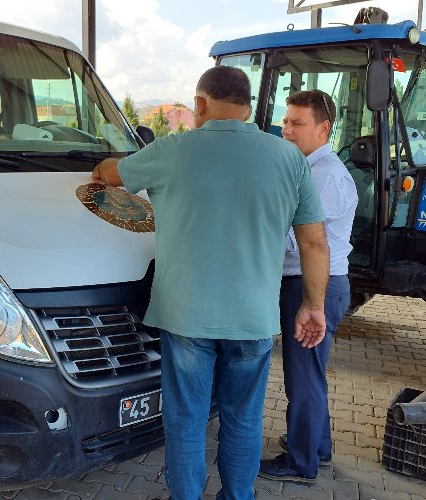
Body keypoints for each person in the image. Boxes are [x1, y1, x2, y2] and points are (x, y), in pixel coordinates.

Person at [91, 66, 330, 500]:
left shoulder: (172, 150)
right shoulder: (288, 158)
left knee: (185, 419)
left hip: (186, 316)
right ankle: (238, 496)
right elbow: (313, 243)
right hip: (253, 318)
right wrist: (312, 305)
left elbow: (112, 175)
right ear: (249, 106)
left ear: (200, 105)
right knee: (243, 418)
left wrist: (102, 163)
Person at [259, 90, 358, 483]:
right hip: (310, 282)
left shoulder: (326, 175)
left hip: (314, 285)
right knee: (310, 372)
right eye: (285, 122)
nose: (286, 130)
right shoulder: (310, 170)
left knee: (303, 376)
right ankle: (317, 446)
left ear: (323, 128)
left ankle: (301, 464)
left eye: (296, 123)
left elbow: (302, 239)